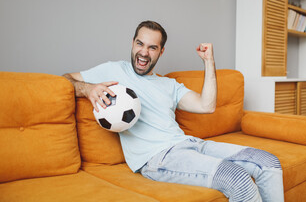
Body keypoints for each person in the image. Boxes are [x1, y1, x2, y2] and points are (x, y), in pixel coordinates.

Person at [63, 20, 284, 202]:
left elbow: (207, 106)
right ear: (132, 43)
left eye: (152, 47)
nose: (144, 52)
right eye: (140, 44)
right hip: (158, 159)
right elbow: (64, 80)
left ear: (161, 51)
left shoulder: (169, 85)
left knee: (269, 163)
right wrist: (87, 89)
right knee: (237, 178)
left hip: (191, 144)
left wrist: (209, 62)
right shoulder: (113, 69)